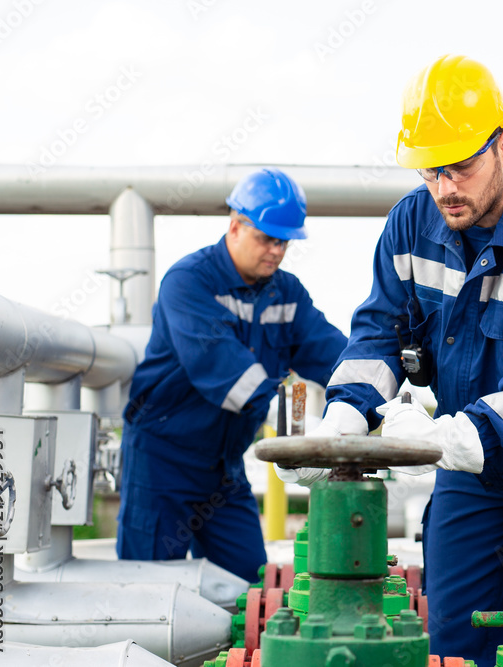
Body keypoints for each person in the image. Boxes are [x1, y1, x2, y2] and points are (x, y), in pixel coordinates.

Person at [281, 55, 503, 663]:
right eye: (430, 171)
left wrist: (448, 441)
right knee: (454, 634)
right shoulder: (410, 224)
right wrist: (345, 416)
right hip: (468, 450)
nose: (445, 188)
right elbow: (379, 332)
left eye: (461, 168)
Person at [117, 167, 347, 583]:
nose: (276, 251)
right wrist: (293, 420)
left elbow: (330, 353)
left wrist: (375, 389)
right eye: (267, 238)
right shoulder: (188, 282)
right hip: (162, 464)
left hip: (224, 470)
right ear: (235, 226)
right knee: (147, 591)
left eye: (284, 241)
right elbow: (220, 366)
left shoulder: (287, 293)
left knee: (249, 588)